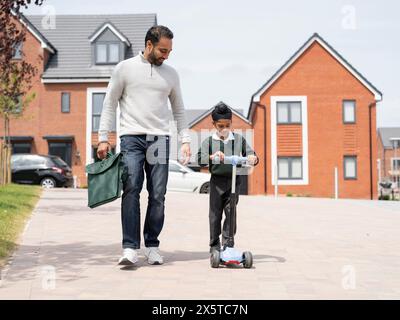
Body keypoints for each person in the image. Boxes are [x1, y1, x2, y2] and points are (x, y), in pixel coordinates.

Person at [97, 25, 191, 266]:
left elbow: (179, 110)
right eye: (162, 50)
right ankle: (129, 248)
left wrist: (185, 141)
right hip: (131, 138)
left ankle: (151, 246)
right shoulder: (124, 69)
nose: (166, 55)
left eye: (169, 51)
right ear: (149, 44)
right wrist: (103, 137)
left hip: (160, 137)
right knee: (132, 189)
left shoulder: (171, 74)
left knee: (158, 194)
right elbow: (109, 104)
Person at [196, 103, 258, 253]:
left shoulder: (238, 140)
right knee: (215, 214)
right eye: (220, 126)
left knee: (231, 212)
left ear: (231, 123)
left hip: (234, 181)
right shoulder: (209, 142)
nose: (224, 129)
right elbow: (200, 159)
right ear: (214, 124)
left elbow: (252, 155)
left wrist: (252, 158)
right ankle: (214, 244)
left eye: (227, 125)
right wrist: (213, 156)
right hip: (216, 182)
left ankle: (228, 243)